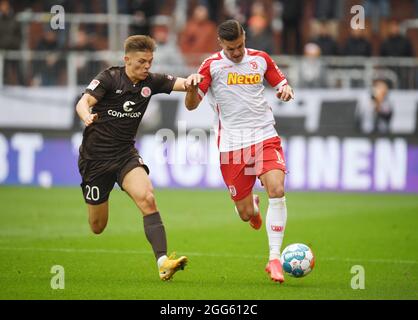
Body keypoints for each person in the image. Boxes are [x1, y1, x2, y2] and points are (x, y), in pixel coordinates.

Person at [75, 35, 203, 281]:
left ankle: (163, 262)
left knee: (147, 198)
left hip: (125, 155)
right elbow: (84, 102)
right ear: (127, 60)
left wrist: (193, 81)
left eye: (150, 61)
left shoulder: (151, 81)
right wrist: (86, 116)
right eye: (142, 62)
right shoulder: (108, 79)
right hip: (95, 160)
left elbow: (184, 84)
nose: (147, 67)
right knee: (97, 227)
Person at [184, 20, 294, 283]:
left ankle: (274, 258)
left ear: (245, 37)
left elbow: (281, 83)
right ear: (221, 44)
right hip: (232, 145)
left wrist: (285, 89)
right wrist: (190, 90)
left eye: (240, 45)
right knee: (245, 214)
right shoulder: (211, 66)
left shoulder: (260, 59)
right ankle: (252, 208)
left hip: (265, 135)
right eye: (231, 48)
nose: (237, 52)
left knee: (277, 189)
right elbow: (191, 106)